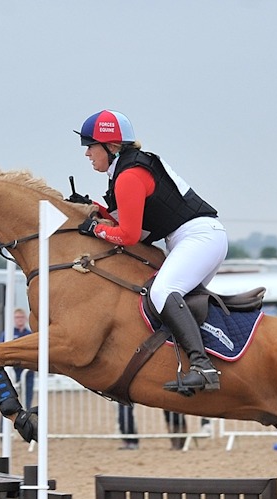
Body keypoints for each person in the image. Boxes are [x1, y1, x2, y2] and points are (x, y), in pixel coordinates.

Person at [71, 109, 228, 396]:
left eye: (90, 146)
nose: (87, 154)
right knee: (174, 302)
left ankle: (203, 367)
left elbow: (129, 236)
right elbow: (135, 227)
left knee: (162, 292)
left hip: (197, 237)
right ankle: (207, 358)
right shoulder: (127, 170)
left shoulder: (128, 176)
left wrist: (94, 229)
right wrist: (94, 208)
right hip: (196, 238)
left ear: (111, 146)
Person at [0, 307, 35, 408]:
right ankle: (4, 424)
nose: (20, 319)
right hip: (11, 371)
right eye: (17, 317)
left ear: (26, 319)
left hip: (27, 371)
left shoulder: (30, 334)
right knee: (7, 401)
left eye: (21, 317)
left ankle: (24, 422)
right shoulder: (7, 334)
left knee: (27, 400)